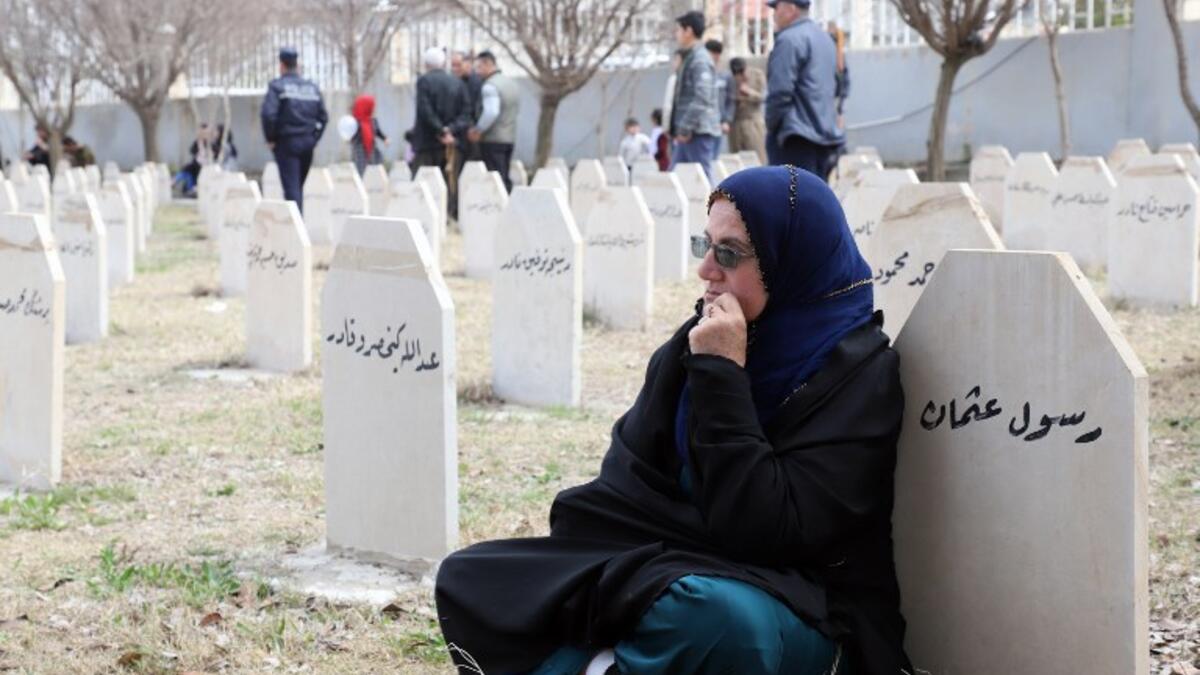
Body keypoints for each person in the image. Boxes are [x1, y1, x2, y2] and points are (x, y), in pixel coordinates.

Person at [436, 165, 913, 675]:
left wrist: (722, 377)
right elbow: (619, 493)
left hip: (794, 602)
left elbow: (767, 532)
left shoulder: (859, 377)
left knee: (718, 620)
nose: (707, 269)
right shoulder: (692, 343)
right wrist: (639, 570)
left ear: (790, 261)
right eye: (702, 245)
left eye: (728, 253)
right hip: (671, 566)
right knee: (470, 575)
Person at [765, 0, 844, 180]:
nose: (774, 13)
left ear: (791, 9)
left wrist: (771, 126)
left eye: (777, 7)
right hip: (825, 136)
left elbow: (780, 91)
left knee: (790, 201)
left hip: (795, 137)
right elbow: (837, 86)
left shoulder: (789, 39)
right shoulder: (825, 39)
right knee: (813, 201)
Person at [260, 46, 328, 213]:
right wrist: (314, 139)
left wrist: (271, 139)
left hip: (287, 143)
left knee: (292, 189)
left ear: (281, 65)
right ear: (297, 65)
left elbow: (268, 115)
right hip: (307, 143)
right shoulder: (312, 87)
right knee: (297, 187)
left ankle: (296, 233)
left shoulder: (277, 87)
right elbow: (323, 117)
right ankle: (296, 228)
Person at [411, 47, 469, 212]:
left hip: (428, 142)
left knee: (422, 181)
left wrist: (441, 130)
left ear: (426, 64)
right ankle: (447, 214)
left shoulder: (424, 81)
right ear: (444, 63)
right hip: (450, 142)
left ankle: (420, 212)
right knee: (447, 181)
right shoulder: (457, 82)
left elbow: (425, 110)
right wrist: (450, 130)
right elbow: (465, 113)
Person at [668, 11, 721, 183]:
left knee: (702, 181)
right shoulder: (691, 57)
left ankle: (714, 211)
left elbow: (702, 97)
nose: (676, 34)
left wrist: (685, 127)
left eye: (678, 30)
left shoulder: (699, 59)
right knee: (675, 179)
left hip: (697, 131)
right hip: (689, 131)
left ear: (688, 31)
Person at [467, 50, 519, 192]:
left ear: (487, 64)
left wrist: (478, 129)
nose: (477, 72)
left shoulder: (490, 86)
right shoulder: (511, 84)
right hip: (509, 138)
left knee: (495, 179)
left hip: (493, 139)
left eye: (479, 67)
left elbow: (491, 112)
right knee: (504, 175)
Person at [728, 57, 768, 164]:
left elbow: (764, 97)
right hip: (736, 122)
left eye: (743, 72)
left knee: (758, 156)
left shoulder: (757, 75)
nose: (741, 76)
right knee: (736, 159)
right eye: (738, 74)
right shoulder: (730, 79)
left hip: (753, 121)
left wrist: (749, 92)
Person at [705, 39, 735, 160]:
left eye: (713, 53)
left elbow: (731, 100)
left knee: (714, 158)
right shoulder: (701, 74)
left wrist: (727, 121)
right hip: (703, 123)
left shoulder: (726, 76)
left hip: (718, 123)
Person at [451, 51, 483, 162]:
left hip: (471, 133)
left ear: (468, 64)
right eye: (453, 65)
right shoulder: (455, 82)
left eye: (458, 65)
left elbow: (474, 109)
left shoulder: (475, 82)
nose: (455, 69)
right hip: (459, 133)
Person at [349, 94, 388, 175]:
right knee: (361, 171)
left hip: (372, 150)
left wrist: (385, 139)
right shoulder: (355, 122)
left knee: (375, 169)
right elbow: (351, 135)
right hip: (359, 151)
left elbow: (378, 132)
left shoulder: (373, 121)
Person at [828, 21, 851, 129]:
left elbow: (844, 77)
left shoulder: (837, 54)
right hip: (834, 94)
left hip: (834, 94)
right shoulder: (838, 52)